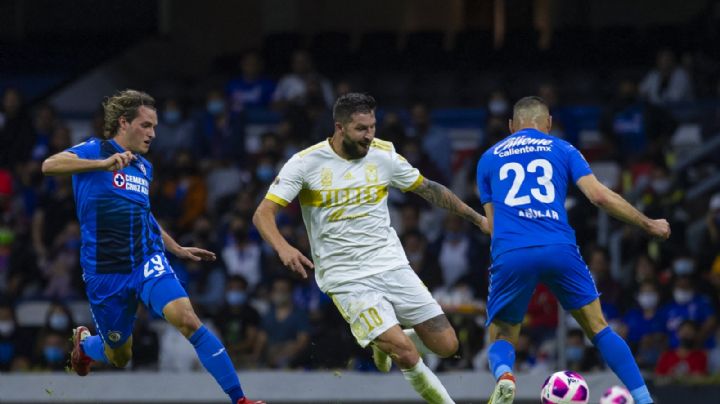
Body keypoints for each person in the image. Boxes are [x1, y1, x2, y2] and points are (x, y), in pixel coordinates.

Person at [253, 93, 489, 404]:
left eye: (372, 127)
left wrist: (478, 219)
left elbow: (428, 189)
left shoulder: (383, 154)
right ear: (339, 127)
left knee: (447, 345)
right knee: (405, 352)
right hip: (346, 277)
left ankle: (383, 342)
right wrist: (283, 248)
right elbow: (262, 213)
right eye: (361, 129)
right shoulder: (305, 162)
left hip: (391, 264)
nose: (369, 136)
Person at [41, 89, 263, 404]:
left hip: (146, 261)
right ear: (123, 123)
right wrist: (102, 164)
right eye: (146, 125)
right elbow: (49, 165)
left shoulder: (145, 167)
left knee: (187, 319)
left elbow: (144, 215)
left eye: (155, 126)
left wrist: (176, 248)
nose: (153, 133)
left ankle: (240, 399)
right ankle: (86, 346)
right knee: (119, 355)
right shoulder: (95, 150)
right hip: (105, 272)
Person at [476, 96, 670, 404]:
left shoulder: (487, 158)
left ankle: (505, 376)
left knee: (501, 334)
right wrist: (647, 224)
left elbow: (492, 225)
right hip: (559, 247)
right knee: (598, 327)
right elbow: (599, 197)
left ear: (511, 127)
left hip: (512, 252)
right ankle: (644, 399)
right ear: (548, 124)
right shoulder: (563, 148)